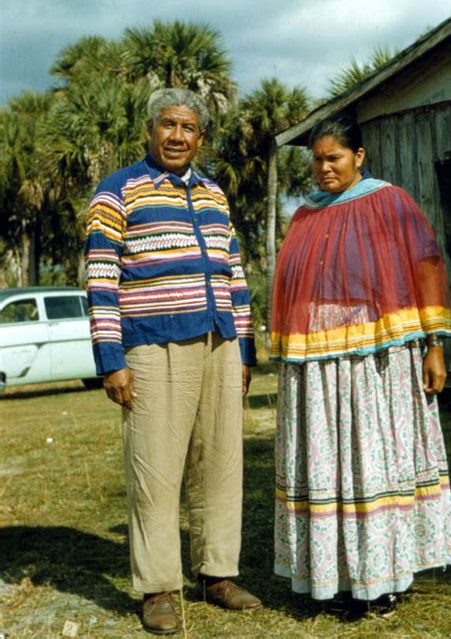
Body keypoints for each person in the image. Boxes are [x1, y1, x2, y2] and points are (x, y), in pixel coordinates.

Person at [85, 88, 261, 635]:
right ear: (150, 130)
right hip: (152, 343)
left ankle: (217, 573)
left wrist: (246, 347)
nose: (178, 136)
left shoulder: (213, 193)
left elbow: (234, 270)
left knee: (221, 463)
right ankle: (159, 587)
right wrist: (110, 357)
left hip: (219, 342)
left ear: (200, 137)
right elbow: (99, 279)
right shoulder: (117, 191)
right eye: (168, 125)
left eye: (188, 128)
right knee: (155, 468)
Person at [270, 115, 451, 610]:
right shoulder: (305, 214)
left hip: (380, 356)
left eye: (334, 158)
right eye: (316, 159)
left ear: (359, 156)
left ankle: (386, 577)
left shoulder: (390, 202)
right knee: (330, 463)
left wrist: (435, 344)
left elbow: (425, 266)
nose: (324, 168)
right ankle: (337, 580)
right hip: (320, 362)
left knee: (374, 459)